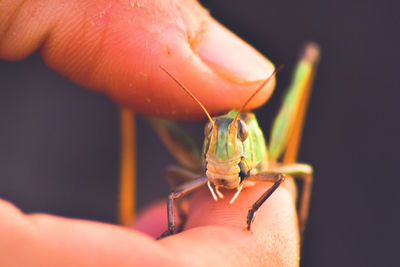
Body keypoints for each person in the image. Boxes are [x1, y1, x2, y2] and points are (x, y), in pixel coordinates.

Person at [0, 0, 299, 265]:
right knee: (134, 99)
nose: (222, 142)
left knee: (298, 168)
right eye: (213, 132)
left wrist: (252, 213)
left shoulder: (260, 162)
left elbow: (286, 177)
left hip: (265, 159)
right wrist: (175, 222)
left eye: (234, 137)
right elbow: (174, 185)